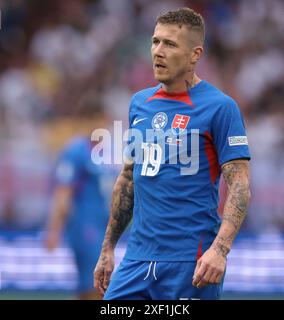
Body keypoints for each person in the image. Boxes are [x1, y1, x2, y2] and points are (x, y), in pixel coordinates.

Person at [94, 7, 251, 300]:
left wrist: (219, 250)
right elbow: (128, 179)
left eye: (170, 44)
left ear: (195, 54)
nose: (157, 51)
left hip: (191, 263)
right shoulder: (139, 104)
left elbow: (240, 185)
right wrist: (107, 248)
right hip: (137, 261)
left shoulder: (220, 107)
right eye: (155, 42)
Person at [45, 111, 114, 300]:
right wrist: (54, 229)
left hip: (100, 227)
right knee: (97, 286)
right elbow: (63, 192)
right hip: (85, 227)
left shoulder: (104, 155)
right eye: (97, 121)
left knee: (90, 289)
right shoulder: (76, 151)